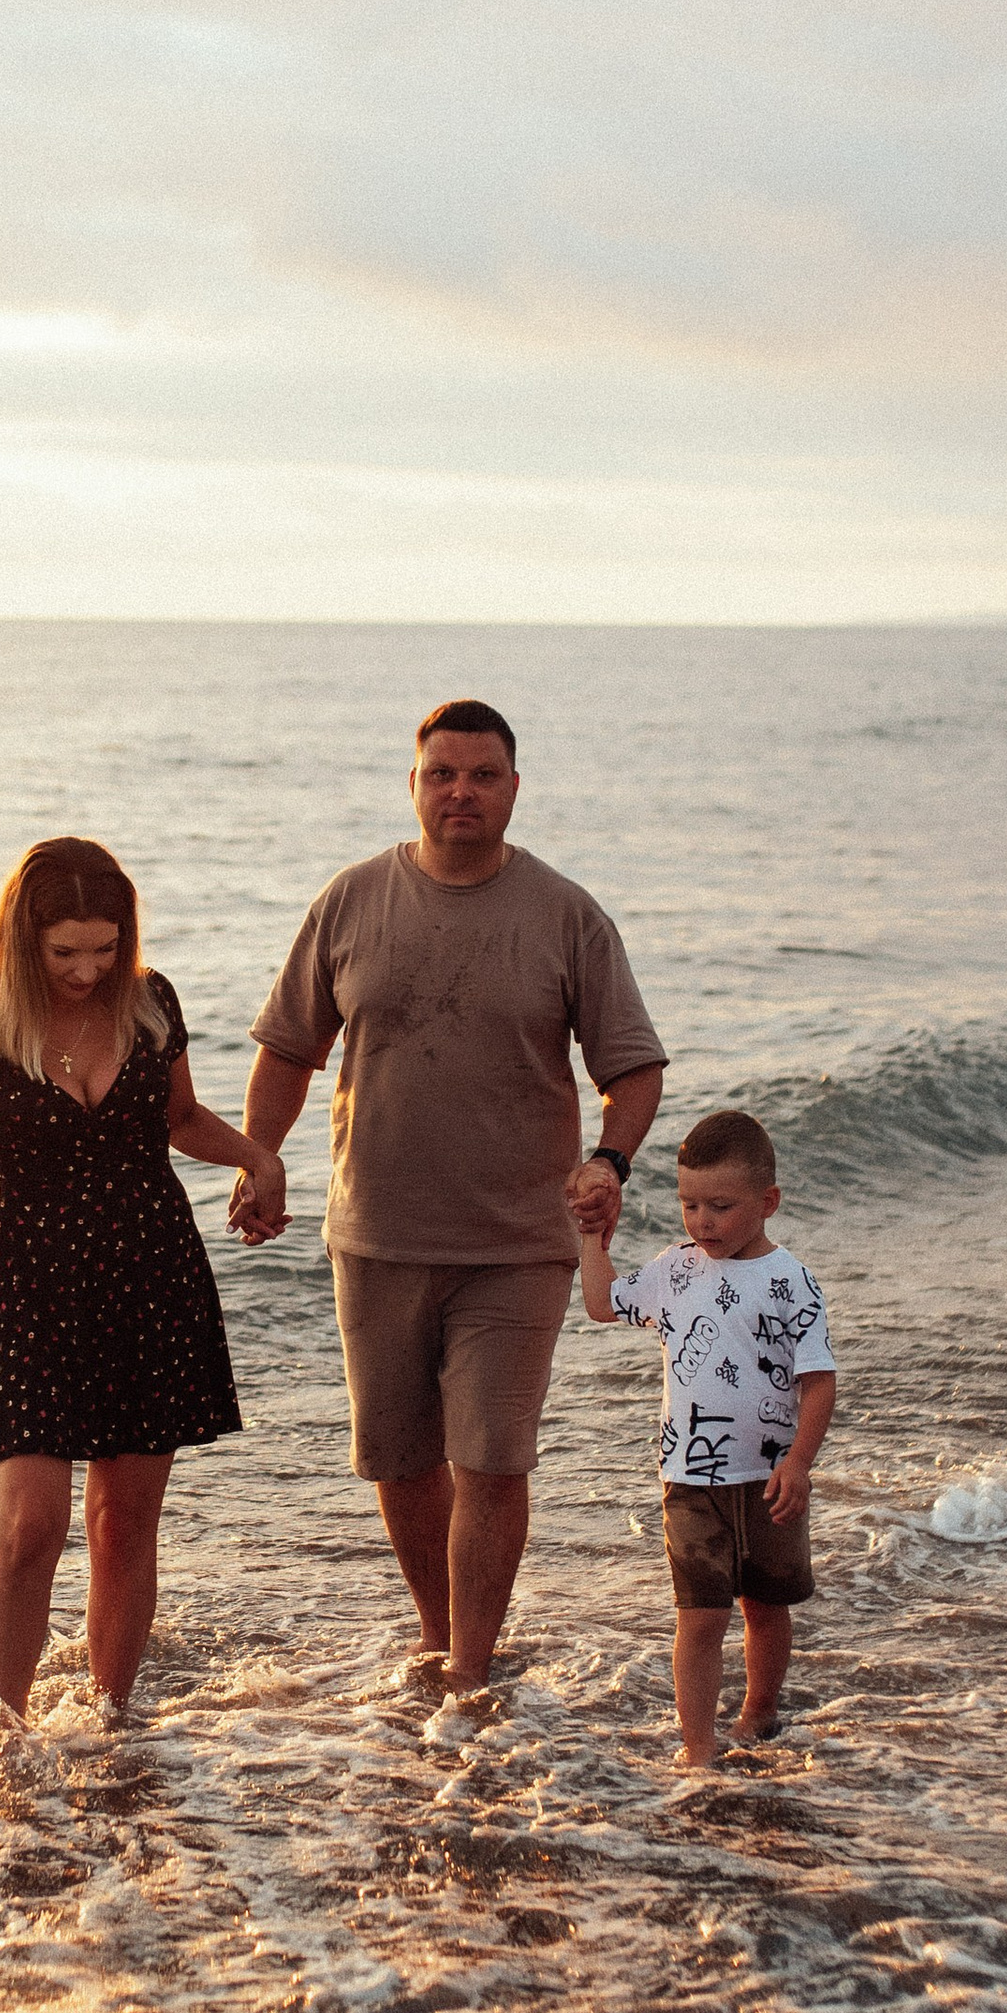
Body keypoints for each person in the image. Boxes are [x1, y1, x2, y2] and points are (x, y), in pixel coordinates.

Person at [234, 701, 667, 1691]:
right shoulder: (351, 901)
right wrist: (260, 1156)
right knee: (398, 1459)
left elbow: (631, 1066)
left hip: (518, 1240)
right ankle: (441, 1639)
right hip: (377, 1233)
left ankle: (469, 1674)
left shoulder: (565, 915)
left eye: (481, 774)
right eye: (442, 774)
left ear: (514, 787)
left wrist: (610, 1157)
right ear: (414, 784)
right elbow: (289, 1048)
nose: (460, 791)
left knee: (492, 1460)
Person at [0, 837, 284, 1722]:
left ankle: (110, 1720)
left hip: (153, 1282)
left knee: (123, 1525)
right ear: (23, 940)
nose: (89, 969)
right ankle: (1, 1730)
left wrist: (256, 1157)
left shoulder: (151, 1005)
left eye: (107, 947)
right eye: (66, 951)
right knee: (29, 1526)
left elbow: (180, 1117)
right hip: (35, 1295)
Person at [577, 1106, 837, 1770]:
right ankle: (697, 1749)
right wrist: (593, 1241)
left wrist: (800, 1464)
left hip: (770, 1477)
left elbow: (818, 1382)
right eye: (690, 1204)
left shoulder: (791, 1281)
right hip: (690, 1476)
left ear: (767, 1201)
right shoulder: (675, 1270)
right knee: (699, 1614)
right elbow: (603, 1303)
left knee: (765, 1604)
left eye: (720, 1206)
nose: (702, 1221)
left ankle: (760, 1708)